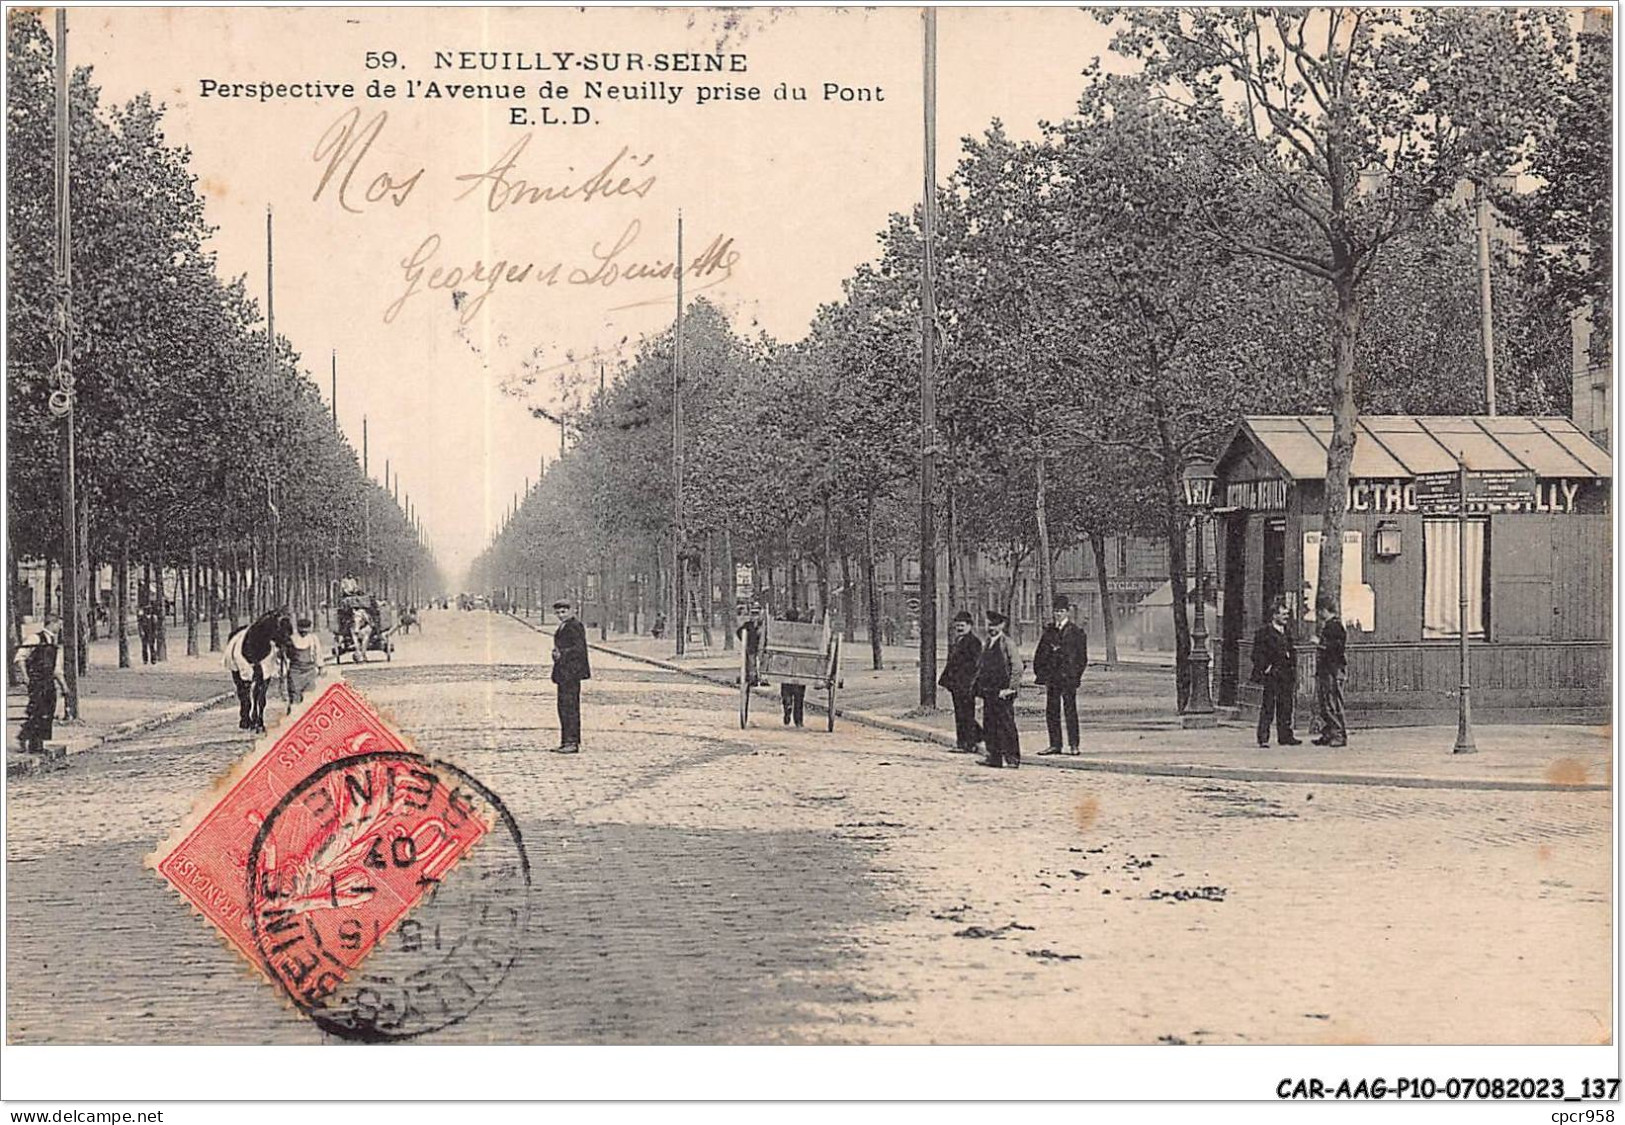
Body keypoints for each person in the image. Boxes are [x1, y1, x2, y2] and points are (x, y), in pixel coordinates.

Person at [1032, 595, 1089, 756]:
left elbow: (1082, 658)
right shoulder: (1049, 631)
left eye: (1061, 611)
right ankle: (1055, 744)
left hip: (1069, 678)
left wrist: (1076, 676)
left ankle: (1073, 745)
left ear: (1068, 612)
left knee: (1070, 711)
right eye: (1056, 611)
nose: (1058, 614)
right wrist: (1041, 673)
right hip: (1053, 678)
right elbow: (1040, 654)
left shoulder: (1076, 632)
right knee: (1052, 711)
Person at [973, 608, 1022, 769]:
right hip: (990, 691)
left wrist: (1011, 688)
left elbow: (1017, 667)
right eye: (989, 625)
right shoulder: (987, 642)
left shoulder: (1007, 643)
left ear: (1002, 625)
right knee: (989, 724)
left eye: (994, 625)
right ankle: (993, 757)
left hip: (1003, 691)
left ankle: (1012, 758)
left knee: (1006, 724)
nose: (991, 629)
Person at [1251, 597, 1302, 747]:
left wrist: (1293, 667)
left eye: (1287, 614)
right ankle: (1263, 737)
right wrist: (1266, 667)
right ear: (1274, 615)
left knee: (1286, 705)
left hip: (1286, 674)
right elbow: (1256, 653)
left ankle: (1285, 736)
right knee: (1268, 706)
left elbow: (1291, 651)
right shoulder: (1264, 632)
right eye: (1283, 614)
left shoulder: (1287, 632)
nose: (1286, 617)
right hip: (1273, 674)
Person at [13, 613, 64, 754]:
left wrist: (63, 685)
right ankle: (28, 740)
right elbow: (20, 657)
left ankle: (38, 742)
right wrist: (25, 676)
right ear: (52, 623)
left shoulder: (52, 642)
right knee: (37, 710)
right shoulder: (35, 638)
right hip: (36, 680)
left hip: (48, 681)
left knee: (48, 711)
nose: (60, 627)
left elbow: (56, 667)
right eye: (58, 624)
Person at [938, 610, 983, 753]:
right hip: (957, 684)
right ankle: (969, 739)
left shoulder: (974, 642)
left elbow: (976, 665)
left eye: (962, 625)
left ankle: (968, 744)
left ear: (970, 626)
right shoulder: (959, 640)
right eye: (957, 626)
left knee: (966, 714)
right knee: (960, 713)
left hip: (966, 685)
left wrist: (970, 683)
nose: (959, 628)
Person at [550, 599, 591, 753]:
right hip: (564, 672)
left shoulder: (575, 626)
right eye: (558, 612)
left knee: (570, 707)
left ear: (571, 611)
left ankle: (572, 742)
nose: (561, 615)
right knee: (564, 707)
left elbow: (579, 648)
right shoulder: (565, 626)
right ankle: (565, 740)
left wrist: (562, 653)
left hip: (571, 672)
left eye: (564, 612)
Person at [1313, 594, 1348, 747]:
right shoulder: (1332, 625)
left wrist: (1319, 643)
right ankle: (1328, 732)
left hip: (1332, 669)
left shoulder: (1334, 626)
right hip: (1328, 669)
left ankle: (1338, 734)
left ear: (1324, 610)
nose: (1318, 614)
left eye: (1319, 611)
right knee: (1325, 701)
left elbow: (1335, 649)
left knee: (1331, 702)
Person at [779, 607, 810, 726]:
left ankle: (787, 704)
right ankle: (798, 720)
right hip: (800, 666)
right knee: (799, 696)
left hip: (784, 664)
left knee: (785, 689)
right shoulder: (804, 630)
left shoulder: (782, 629)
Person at [285, 617, 323, 704]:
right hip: (295, 671)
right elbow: (284, 656)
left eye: (306, 630)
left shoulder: (313, 638)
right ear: (298, 628)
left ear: (309, 629)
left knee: (309, 697)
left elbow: (318, 653)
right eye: (301, 630)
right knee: (294, 695)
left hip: (309, 670)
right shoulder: (292, 639)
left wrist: (320, 668)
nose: (304, 633)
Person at [735, 602, 765, 686]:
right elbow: (739, 632)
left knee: (760, 663)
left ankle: (760, 678)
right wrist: (745, 641)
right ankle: (752, 678)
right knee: (751, 663)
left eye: (757, 614)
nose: (755, 617)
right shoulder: (748, 625)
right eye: (753, 614)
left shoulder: (763, 625)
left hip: (761, 648)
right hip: (751, 647)